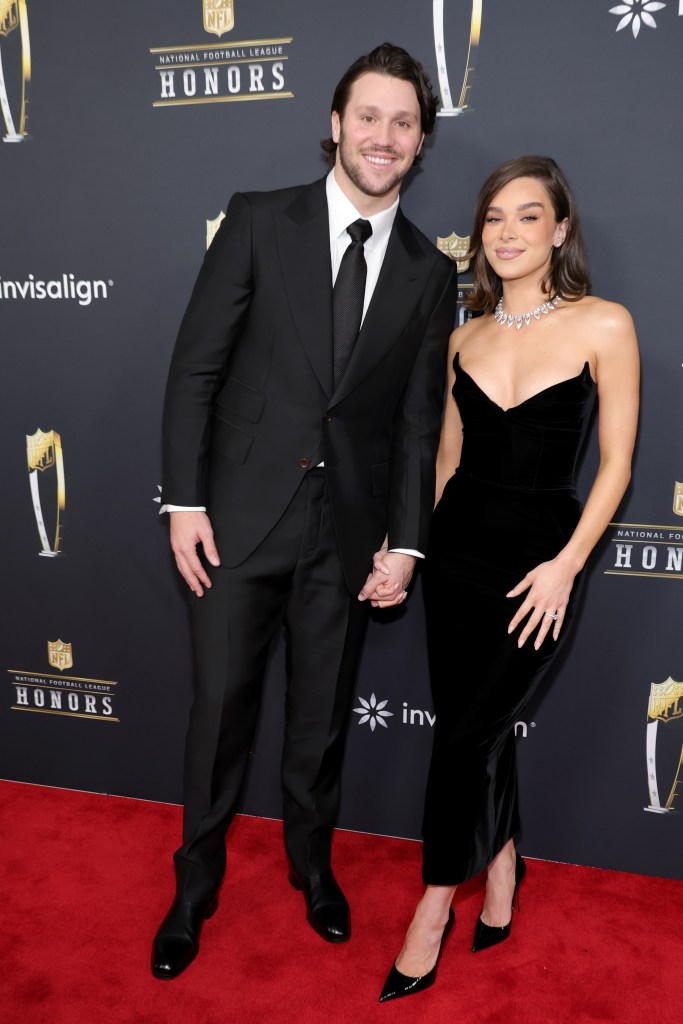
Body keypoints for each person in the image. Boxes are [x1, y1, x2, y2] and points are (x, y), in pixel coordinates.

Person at [151, 42, 458, 980]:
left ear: (418, 145)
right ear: (334, 124)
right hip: (236, 522)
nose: (383, 136)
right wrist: (185, 500)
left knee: (320, 722)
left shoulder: (425, 270)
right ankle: (193, 888)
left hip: (347, 537)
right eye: (368, 116)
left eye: (403, 122)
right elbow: (195, 369)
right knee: (219, 715)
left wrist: (405, 543)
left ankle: (311, 868)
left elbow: (414, 428)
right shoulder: (254, 220)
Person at [376, 155, 639, 1002]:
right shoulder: (464, 336)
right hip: (455, 558)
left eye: (527, 216)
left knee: (466, 733)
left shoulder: (604, 324)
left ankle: (429, 908)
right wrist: (408, 549)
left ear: (559, 229)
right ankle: (502, 869)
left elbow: (617, 467)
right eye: (493, 218)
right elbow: (447, 463)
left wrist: (566, 566)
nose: (507, 233)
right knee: (470, 727)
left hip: (540, 564)